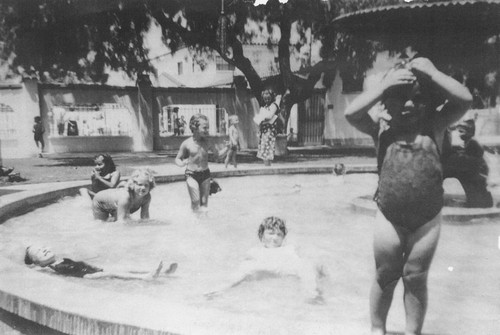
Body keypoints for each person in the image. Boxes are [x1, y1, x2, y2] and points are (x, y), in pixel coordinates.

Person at [344, 49, 472, 335]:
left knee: (415, 277)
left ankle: (413, 332)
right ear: (386, 100)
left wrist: (434, 74)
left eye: (418, 97)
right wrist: (383, 86)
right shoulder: (381, 128)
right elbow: (350, 112)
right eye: (400, 96)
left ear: (430, 101)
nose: (409, 104)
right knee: (385, 275)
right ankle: (378, 329)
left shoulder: (436, 126)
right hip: (389, 216)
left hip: (426, 221)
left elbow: (465, 99)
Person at [205, 216, 323, 302]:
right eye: (271, 233)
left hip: (284, 269)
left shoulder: (289, 248)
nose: (275, 237)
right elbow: (244, 264)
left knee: (308, 265)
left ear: (283, 238)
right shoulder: (255, 250)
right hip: (263, 268)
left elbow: (300, 262)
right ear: (261, 236)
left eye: (279, 234)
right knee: (244, 268)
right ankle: (217, 291)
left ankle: (312, 295)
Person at [25, 244, 177, 280]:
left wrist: (93, 264)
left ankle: (161, 272)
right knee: (114, 273)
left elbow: (80, 263)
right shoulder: (47, 268)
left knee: (122, 267)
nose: (43, 250)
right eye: (38, 252)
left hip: (90, 269)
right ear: (37, 263)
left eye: (43, 247)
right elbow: (33, 271)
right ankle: (145, 277)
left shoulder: (60, 259)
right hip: (86, 277)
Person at [175, 113, 223, 213]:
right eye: (205, 128)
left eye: (208, 128)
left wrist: (228, 148)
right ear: (194, 127)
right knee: (195, 200)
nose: (207, 130)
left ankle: (203, 223)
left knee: (204, 203)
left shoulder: (208, 142)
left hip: (205, 174)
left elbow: (218, 155)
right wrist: (182, 163)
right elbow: (177, 159)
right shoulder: (187, 143)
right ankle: (194, 222)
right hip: (191, 175)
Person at [442, 118, 493, 208]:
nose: (460, 134)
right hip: (477, 169)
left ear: (469, 132)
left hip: (477, 170)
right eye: (460, 132)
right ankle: (480, 200)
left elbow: (475, 157)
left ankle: (481, 201)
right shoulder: (469, 142)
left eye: (462, 132)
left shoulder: (472, 142)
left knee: (475, 187)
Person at [254, 89, 279, 166]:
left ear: (272, 97)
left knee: (267, 148)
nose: (267, 100)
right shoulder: (264, 106)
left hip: (270, 130)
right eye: (265, 99)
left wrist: (263, 117)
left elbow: (270, 116)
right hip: (264, 129)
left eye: (268, 98)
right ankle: (266, 166)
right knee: (263, 148)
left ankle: (268, 166)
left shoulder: (274, 105)